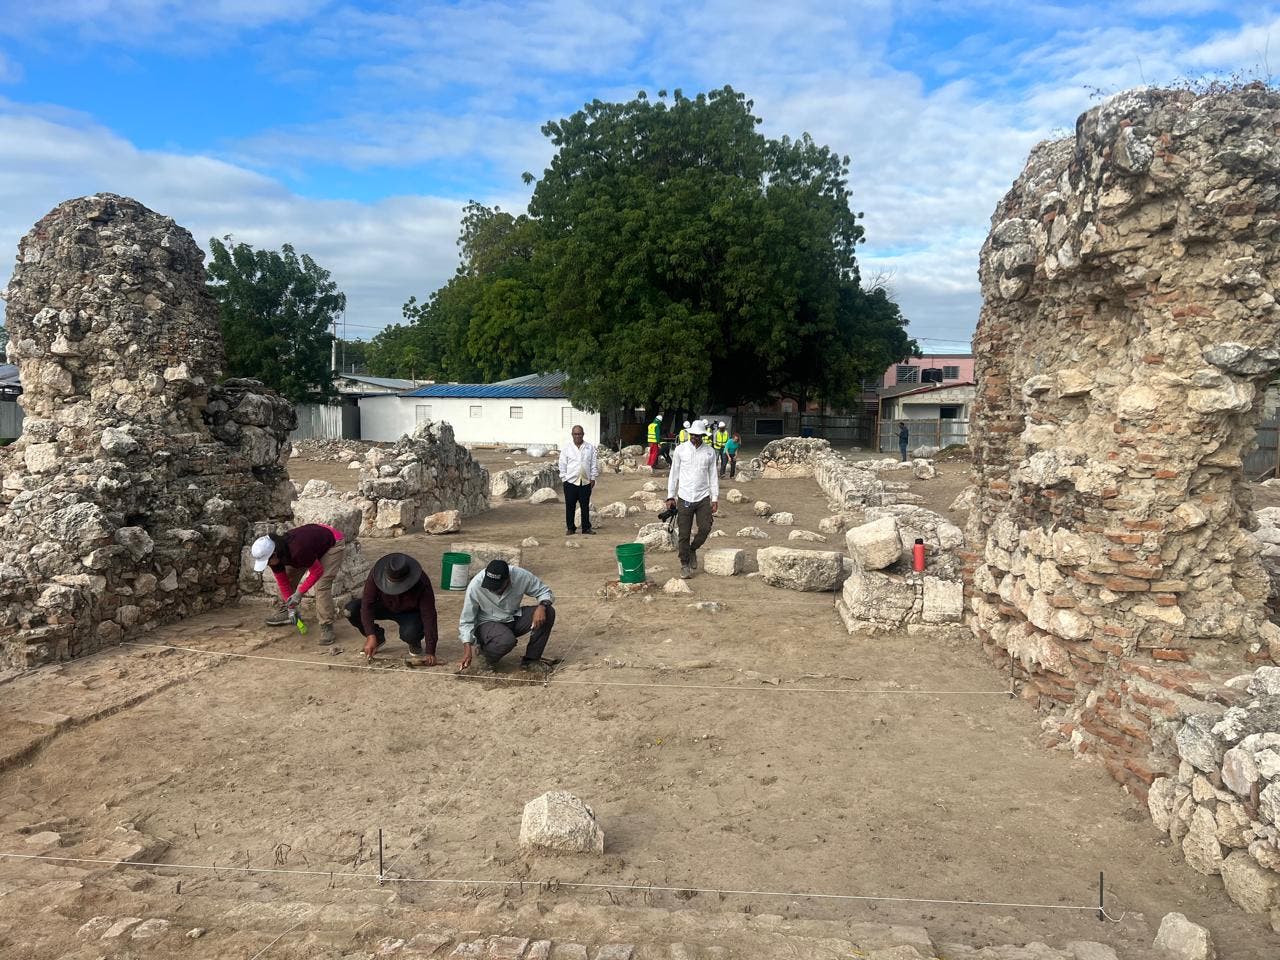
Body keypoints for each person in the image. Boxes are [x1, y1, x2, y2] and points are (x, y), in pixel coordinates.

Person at [252, 523, 347, 645]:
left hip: (332, 542)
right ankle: (286, 612)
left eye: (267, 562)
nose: (267, 565)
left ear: (274, 554)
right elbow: (283, 582)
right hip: (312, 545)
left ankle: (326, 625)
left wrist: (299, 593)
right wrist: (291, 607)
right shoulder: (276, 556)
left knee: (322, 585)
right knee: (289, 576)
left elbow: (317, 571)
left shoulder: (298, 550)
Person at [458, 559, 557, 673]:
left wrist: (542, 606)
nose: (493, 590)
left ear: (508, 580)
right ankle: (485, 658)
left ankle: (531, 661)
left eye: (497, 587)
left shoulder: (520, 575)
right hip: (487, 623)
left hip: (513, 617)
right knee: (506, 640)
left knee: (548, 612)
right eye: (490, 587)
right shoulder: (475, 585)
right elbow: (466, 620)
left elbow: (544, 591)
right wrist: (467, 649)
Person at [345, 552, 440, 662]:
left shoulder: (422, 582)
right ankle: (377, 637)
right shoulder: (376, 575)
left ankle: (414, 641)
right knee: (351, 610)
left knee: (410, 633)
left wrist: (430, 651)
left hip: (409, 613)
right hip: (383, 606)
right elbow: (367, 605)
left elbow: (429, 616)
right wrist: (370, 635)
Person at [665, 419, 719, 579]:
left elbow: (713, 476)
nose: (695, 438)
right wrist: (670, 496)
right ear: (689, 434)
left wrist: (715, 498)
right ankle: (684, 563)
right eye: (693, 435)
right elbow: (673, 474)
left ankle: (693, 548)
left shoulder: (710, 452)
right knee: (683, 533)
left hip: (703, 496)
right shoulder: (681, 450)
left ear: (703, 436)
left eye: (698, 435)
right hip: (684, 496)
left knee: (705, 528)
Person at [559, 424, 599, 535]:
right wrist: (564, 479)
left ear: (583, 434)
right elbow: (562, 464)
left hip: (585, 481)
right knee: (570, 506)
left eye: (580, 434)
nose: (578, 436)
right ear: (572, 435)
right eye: (575, 434)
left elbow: (593, 463)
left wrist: (593, 477)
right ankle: (571, 528)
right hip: (570, 482)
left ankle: (586, 528)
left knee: (585, 506)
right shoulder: (567, 448)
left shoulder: (589, 448)